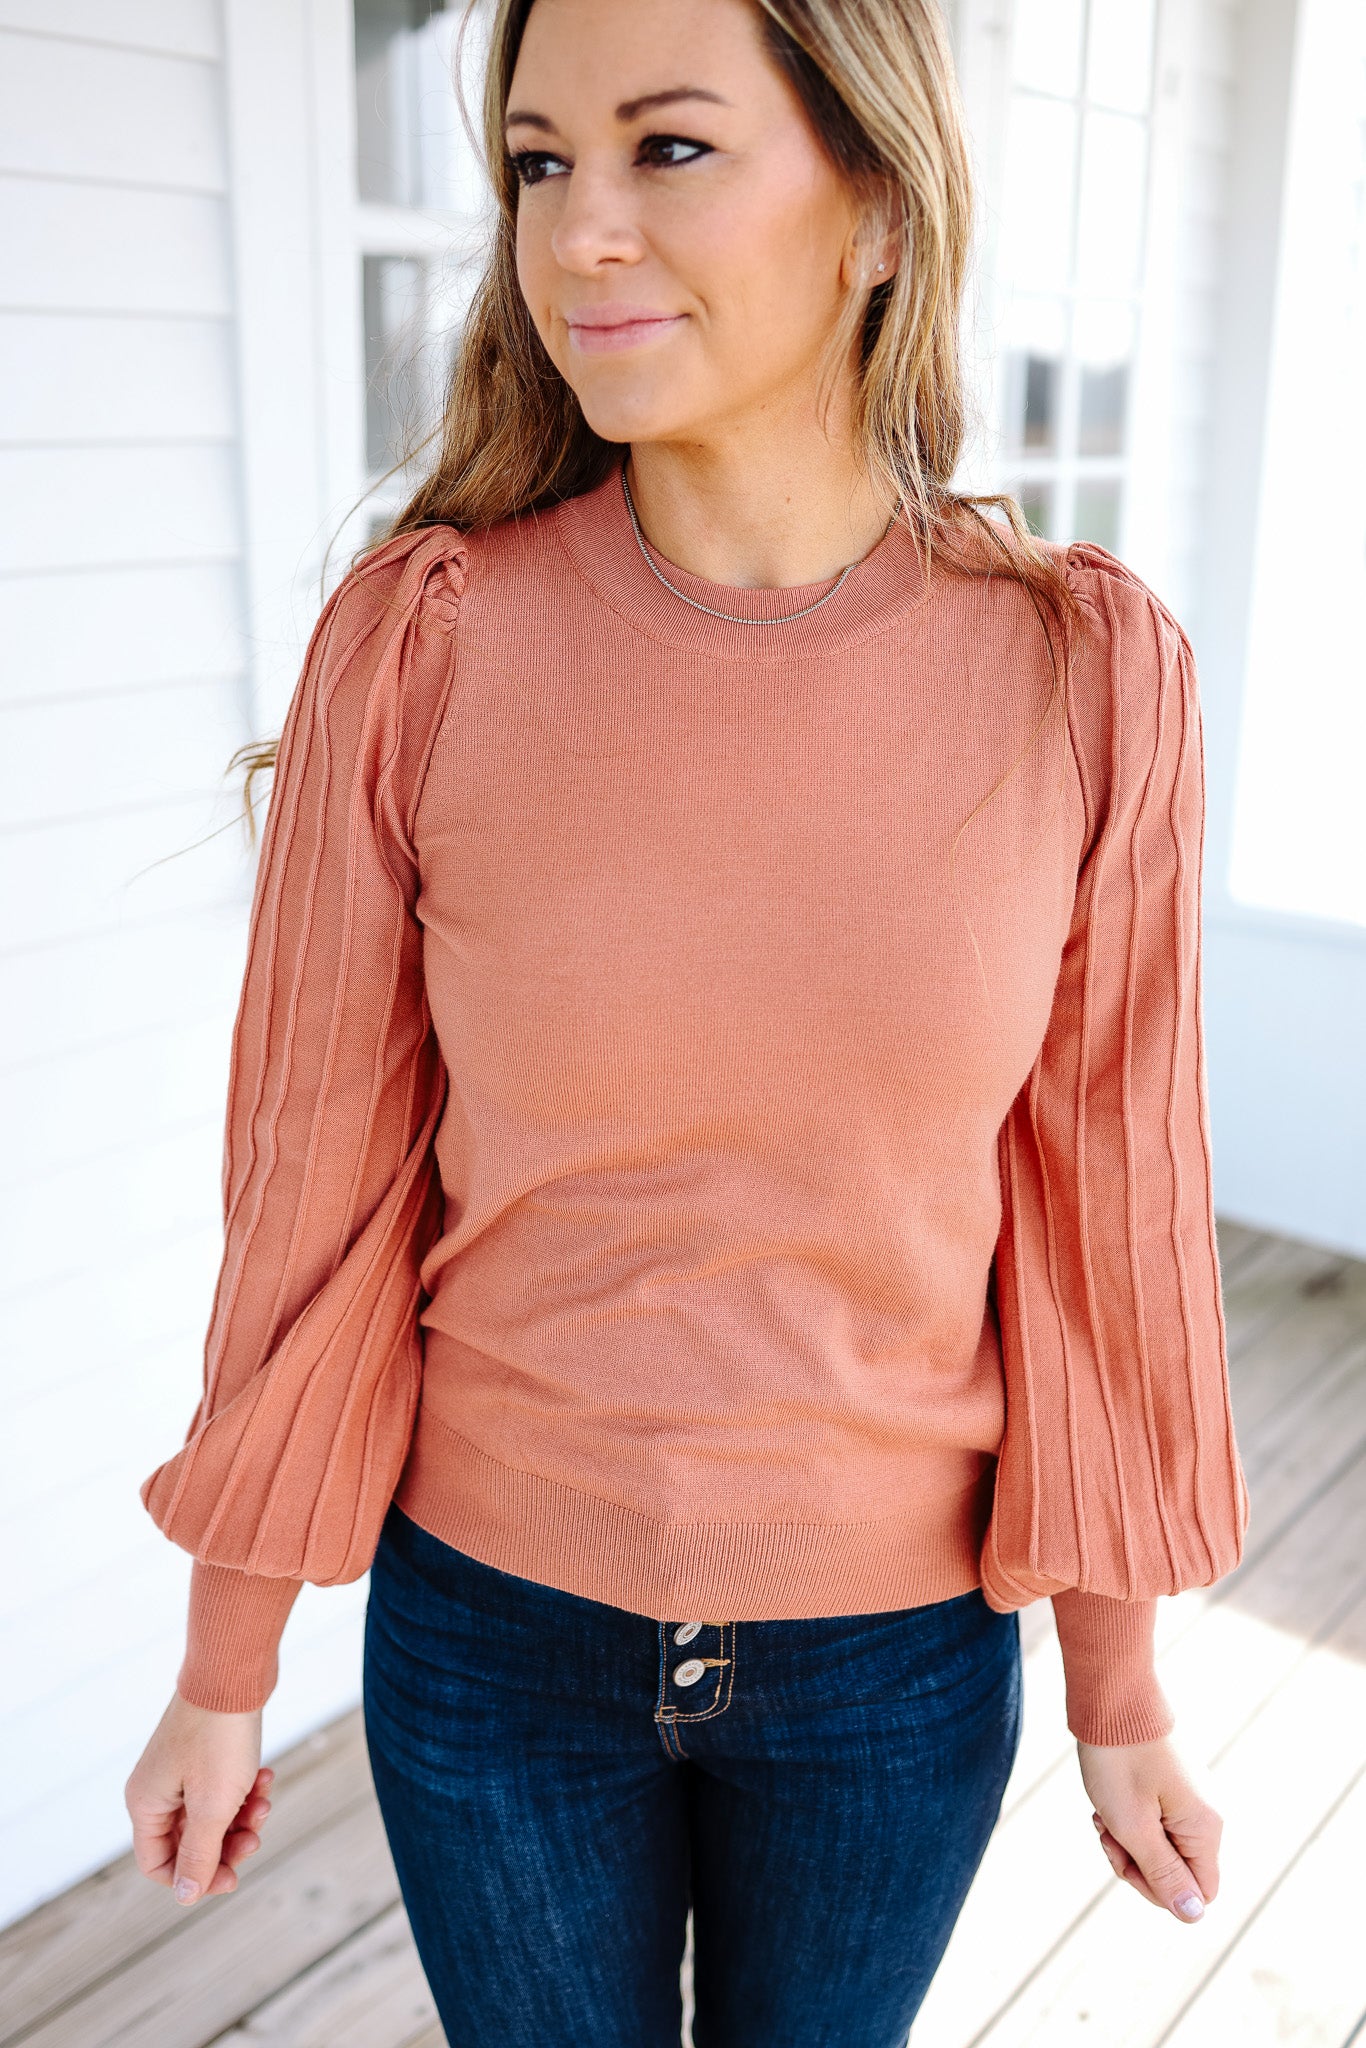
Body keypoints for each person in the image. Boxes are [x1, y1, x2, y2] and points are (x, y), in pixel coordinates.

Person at [124, 0, 1250, 2039]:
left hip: (891, 1667)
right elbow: (314, 1180)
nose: (577, 232)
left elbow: (1107, 1213)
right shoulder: (424, 644)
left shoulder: (1083, 673)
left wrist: (1119, 1684)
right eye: (537, 162)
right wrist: (225, 1663)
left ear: (878, 209)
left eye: (666, 147)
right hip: (490, 1647)